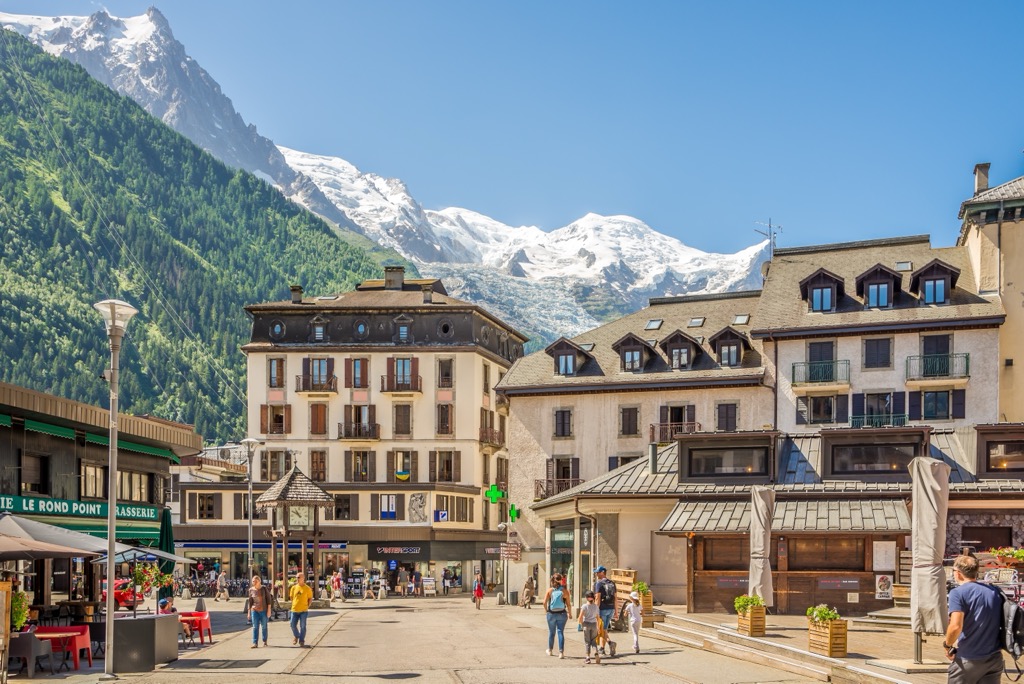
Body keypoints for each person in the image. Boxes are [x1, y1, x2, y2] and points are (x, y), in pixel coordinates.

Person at [944, 554, 1005, 684]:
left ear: (958, 573)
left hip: (968, 659)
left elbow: (955, 626)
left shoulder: (957, 593)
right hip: (994, 658)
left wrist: (947, 645)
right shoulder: (994, 591)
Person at [543, 574, 572, 659]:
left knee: (551, 632)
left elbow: (544, 602)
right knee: (560, 632)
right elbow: (569, 604)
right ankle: (561, 652)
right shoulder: (564, 591)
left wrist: (546, 611)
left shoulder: (550, 591)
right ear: (561, 580)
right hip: (562, 614)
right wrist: (570, 614)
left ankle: (550, 650)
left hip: (551, 614)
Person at [593, 566, 617, 656]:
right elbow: (615, 598)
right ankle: (602, 648)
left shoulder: (599, 584)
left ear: (603, 572)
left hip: (602, 609)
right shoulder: (612, 583)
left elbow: (597, 598)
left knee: (601, 629)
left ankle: (610, 643)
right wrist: (616, 612)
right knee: (605, 629)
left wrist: (595, 611)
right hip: (611, 608)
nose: (596, 574)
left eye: (598, 572)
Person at [289, 574, 313, 647]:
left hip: (303, 611)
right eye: (296, 577)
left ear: (303, 578)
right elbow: (291, 597)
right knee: (292, 624)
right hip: (294, 610)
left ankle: (301, 640)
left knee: (303, 626)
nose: (297, 578)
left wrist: (307, 606)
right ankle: (296, 635)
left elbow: (310, 598)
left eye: (299, 577)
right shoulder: (293, 588)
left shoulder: (307, 588)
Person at [578, 590, 602, 664]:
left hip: (586, 624)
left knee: (587, 642)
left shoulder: (584, 606)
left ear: (586, 598)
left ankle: (588, 658)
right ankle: (596, 652)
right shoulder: (596, 607)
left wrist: (582, 624)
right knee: (593, 641)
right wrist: (598, 627)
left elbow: (580, 617)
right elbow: (598, 618)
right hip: (594, 624)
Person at [248, 575, 272, 648]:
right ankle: (255, 643)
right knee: (255, 627)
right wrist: (249, 612)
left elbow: (269, 599)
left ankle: (265, 641)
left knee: (264, 626)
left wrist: (269, 610)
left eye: (255, 581)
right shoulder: (251, 590)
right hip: (254, 610)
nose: (254, 582)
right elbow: (250, 602)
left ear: (259, 581)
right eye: (253, 581)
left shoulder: (263, 589)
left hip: (263, 610)